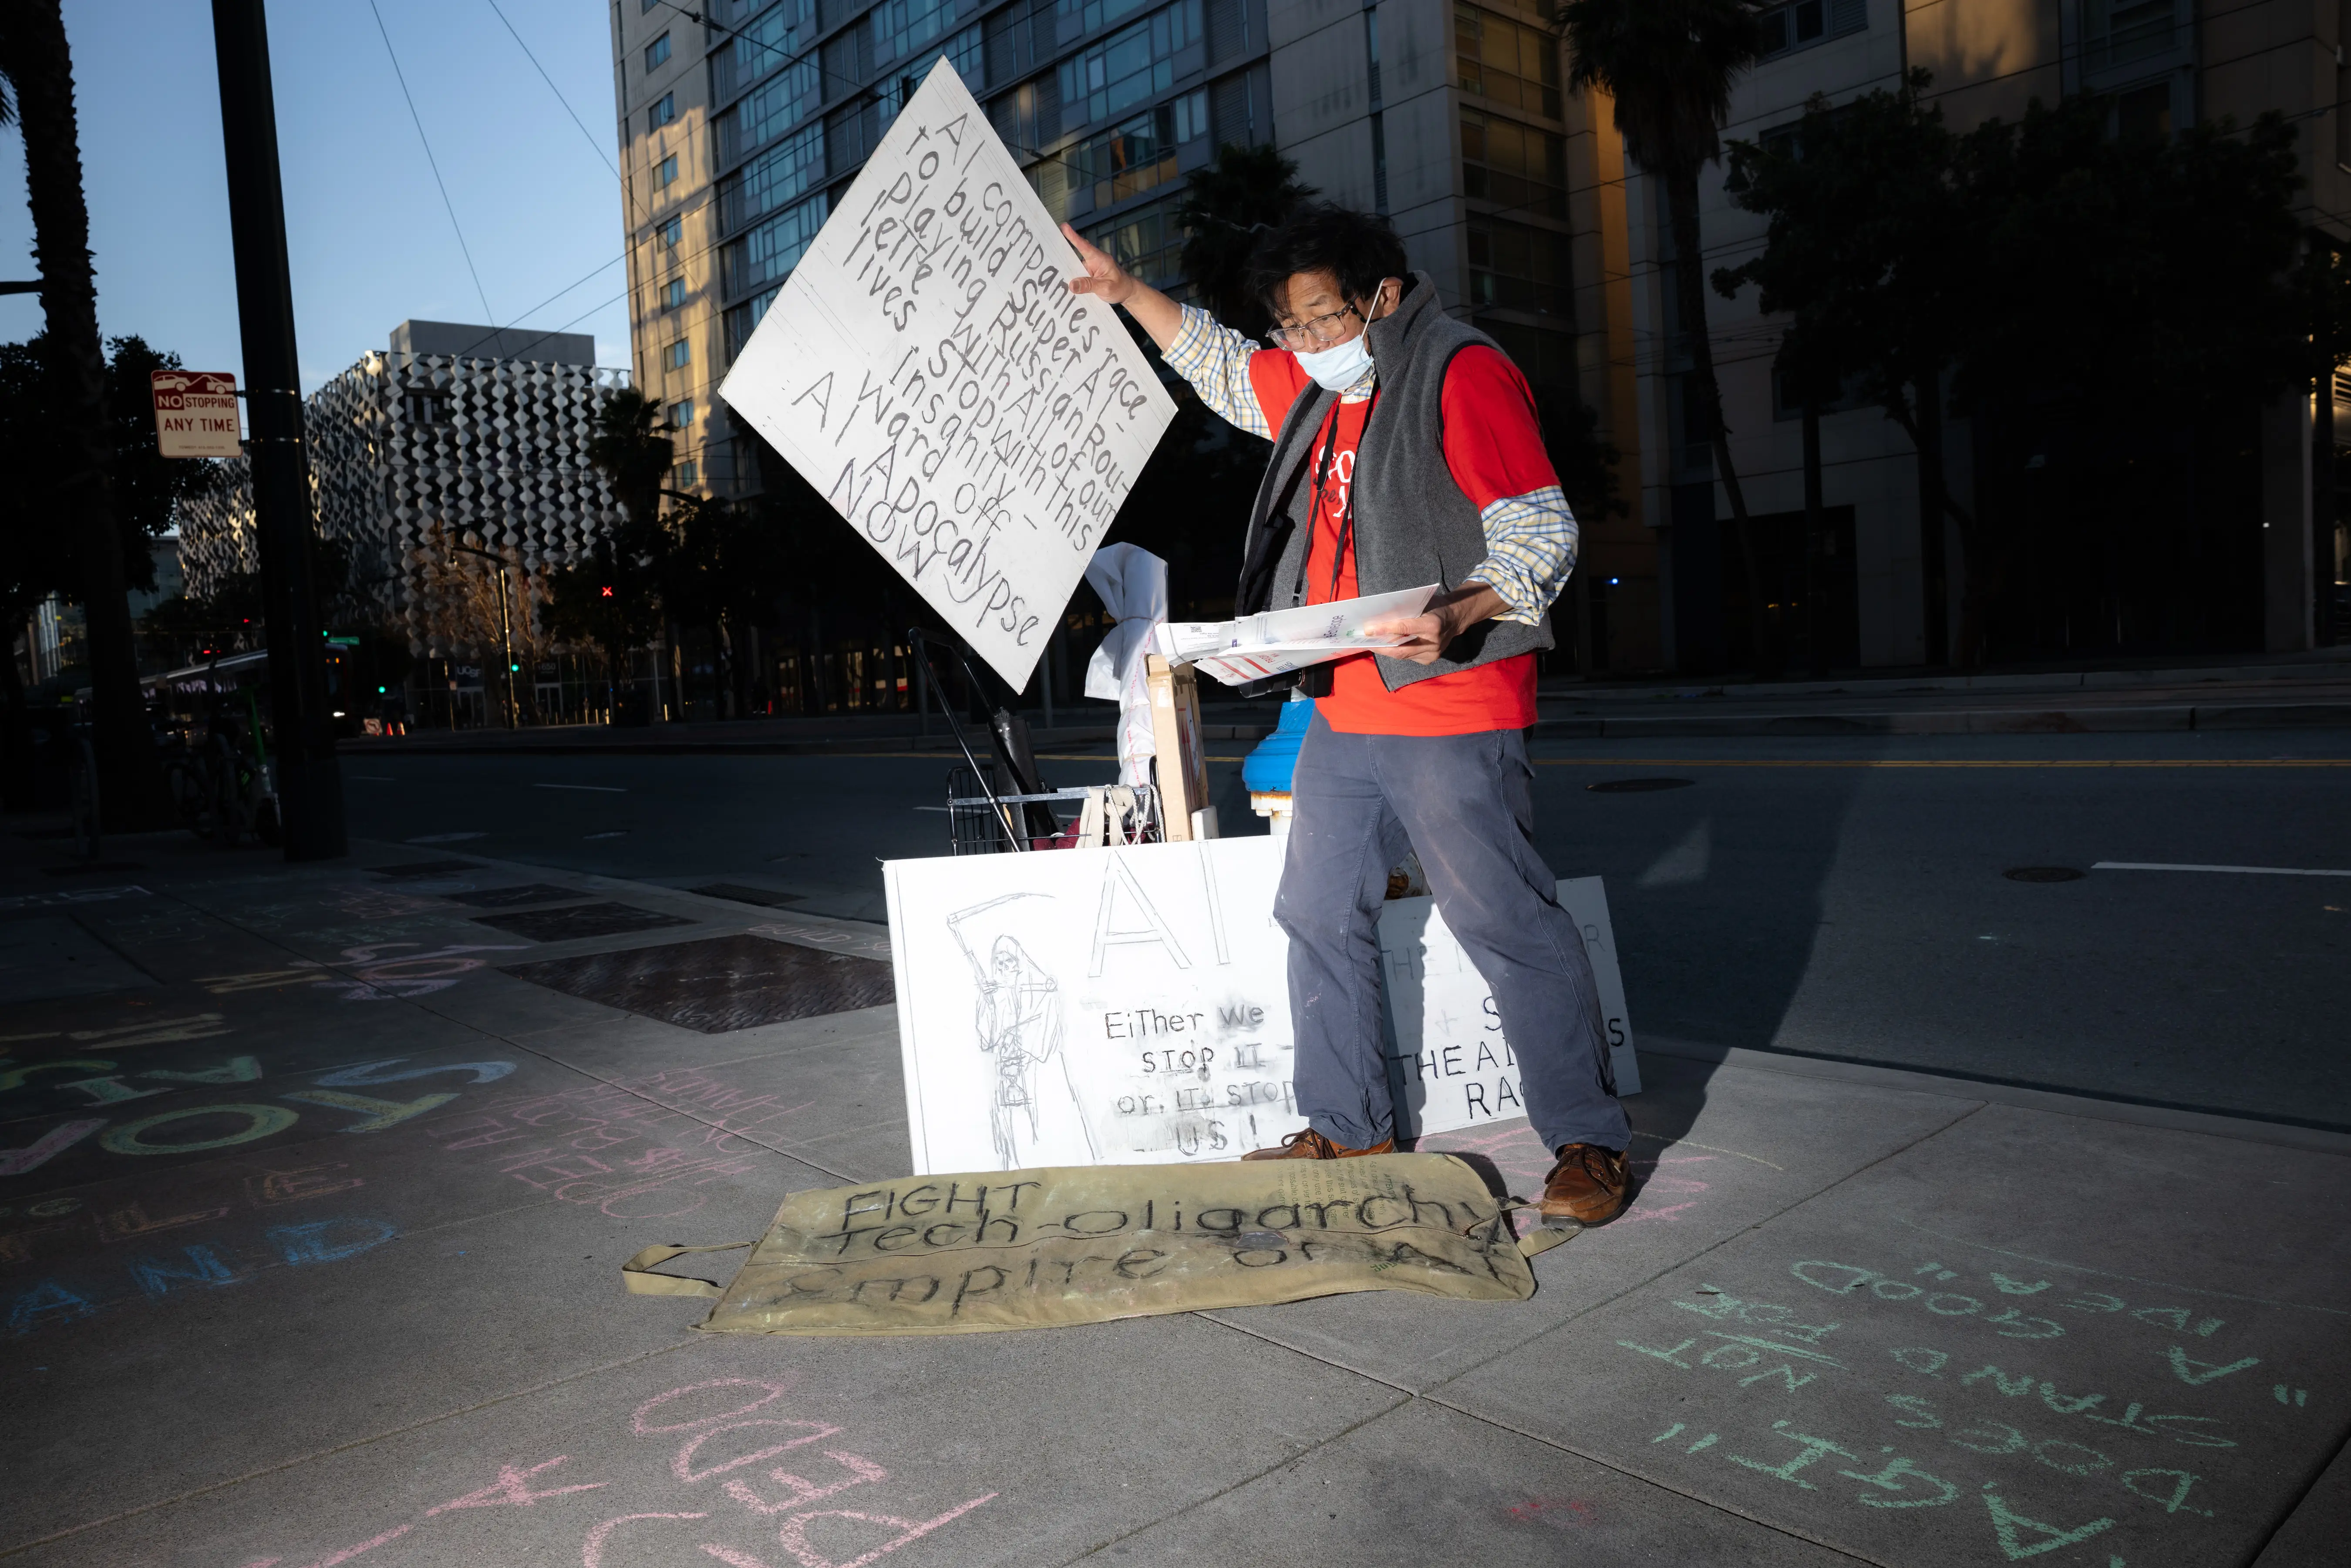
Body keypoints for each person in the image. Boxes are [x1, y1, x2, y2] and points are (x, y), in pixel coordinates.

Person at [1062, 205, 1633, 1224]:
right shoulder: (1321, 391)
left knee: (1502, 918)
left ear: (1382, 296)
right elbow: (1224, 364)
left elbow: (1542, 535)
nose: (1309, 345)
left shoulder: (1459, 371)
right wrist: (1125, 294)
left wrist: (1457, 608)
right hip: (1346, 703)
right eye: (1293, 327)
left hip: (1452, 697)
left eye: (1325, 319)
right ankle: (1350, 1122)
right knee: (1317, 913)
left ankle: (1588, 1140)